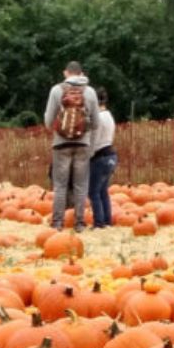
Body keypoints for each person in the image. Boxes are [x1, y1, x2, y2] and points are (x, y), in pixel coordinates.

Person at [44, 62, 100, 232]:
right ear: (81, 73)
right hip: (83, 144)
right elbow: (96, 123)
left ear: (65, 73)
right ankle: (80, 223)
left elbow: (48, 121)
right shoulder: (90, 92)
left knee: (60, 185)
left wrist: (60, 128)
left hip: (61, 144)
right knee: (80, 185)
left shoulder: (56, 90)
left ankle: (57, 223)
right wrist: (83, 130)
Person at [88, 87, 117, 229]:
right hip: (111, 155)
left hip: (99, 157)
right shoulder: (109, 116)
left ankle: (99, 223)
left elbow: (94, 140)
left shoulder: (98, 118)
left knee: (93, 191)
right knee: (103, 190)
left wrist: (87, 154)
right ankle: (107, 220)